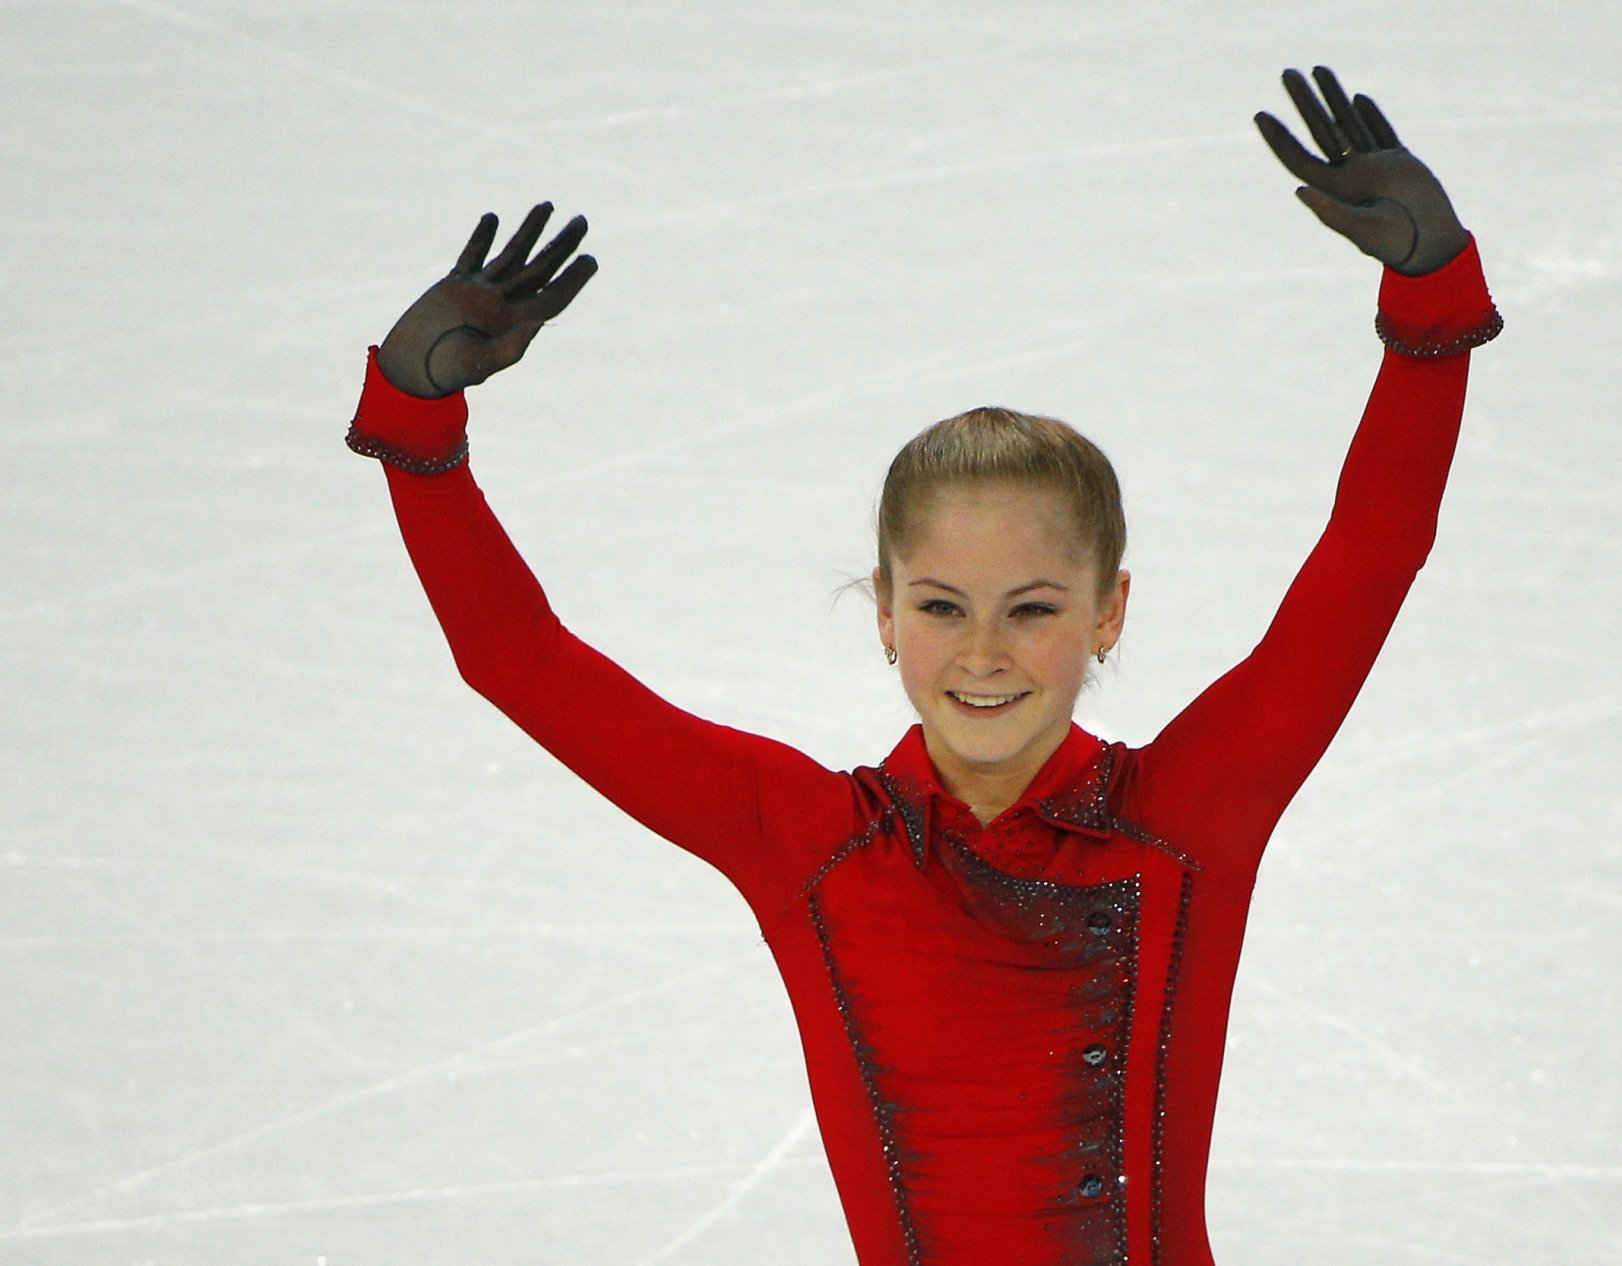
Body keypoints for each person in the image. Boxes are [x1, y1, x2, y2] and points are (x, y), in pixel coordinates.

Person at [346, 66, 1500, 1266]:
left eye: (1035, 607)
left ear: (1110, 614)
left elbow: (1368, 564)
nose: (986, 652)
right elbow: (517, 661)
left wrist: (1430, 316)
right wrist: (419, 430)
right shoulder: (812, 844)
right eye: (943, 606)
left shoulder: (1188, 819)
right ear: (885, 616)